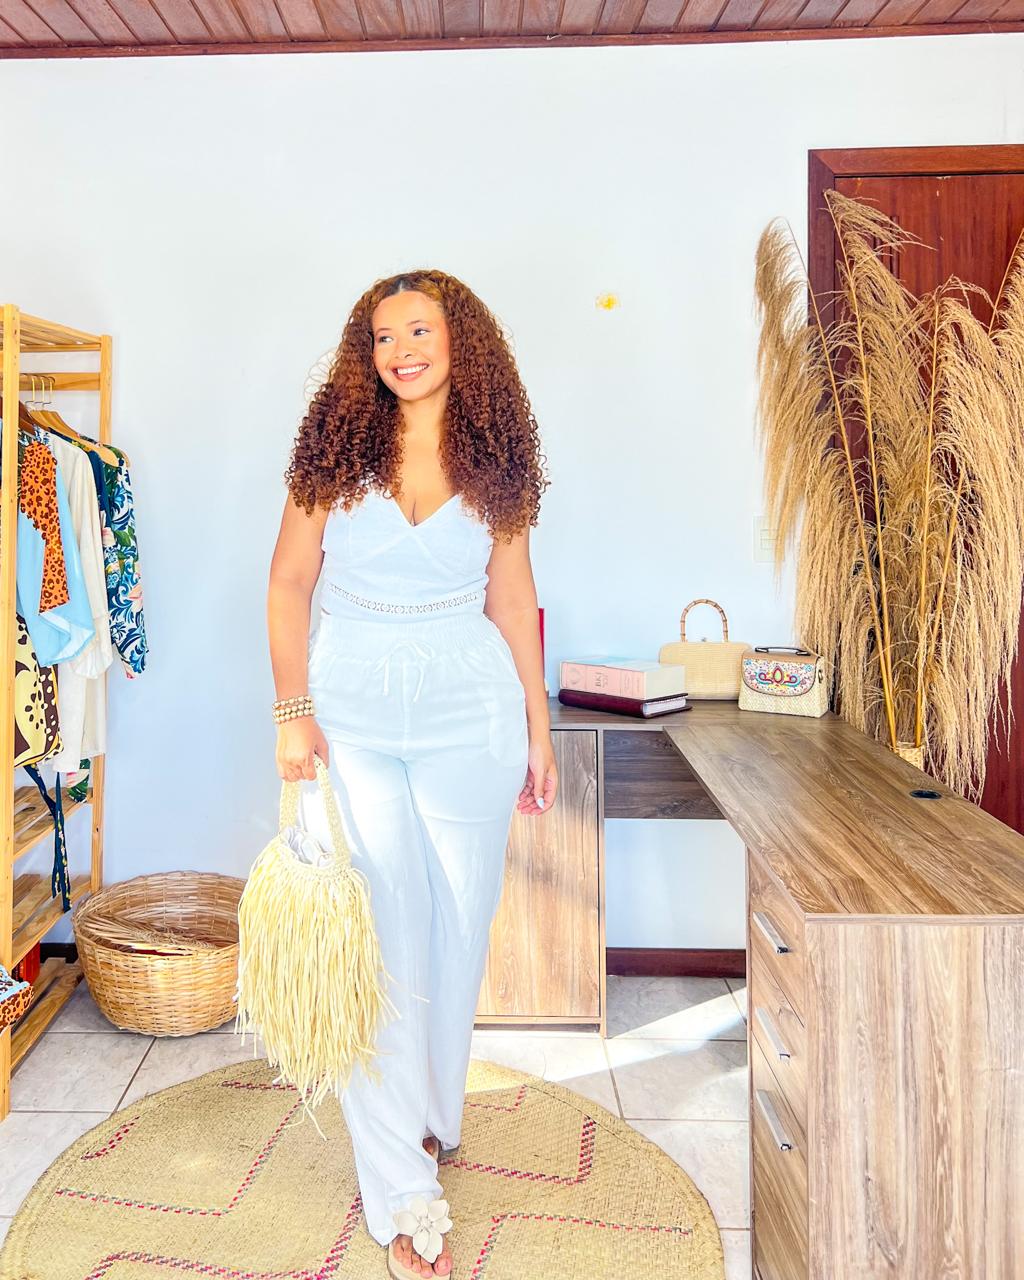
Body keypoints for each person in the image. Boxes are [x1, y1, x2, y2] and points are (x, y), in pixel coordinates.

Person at [267, 269, 559, 1279]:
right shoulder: (332, 448)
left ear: (458, 339)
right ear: (367, 352)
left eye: (420, 329)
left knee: (459, 921)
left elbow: (512, 598)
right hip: (351, 712)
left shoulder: (497, 458)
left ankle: (433, 1112)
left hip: (469, 708)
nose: (401, 350)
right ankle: (399, 1182)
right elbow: (288, 582)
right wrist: (293, 713)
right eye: (384, 335)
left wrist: (539, 727)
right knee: (382, 932)